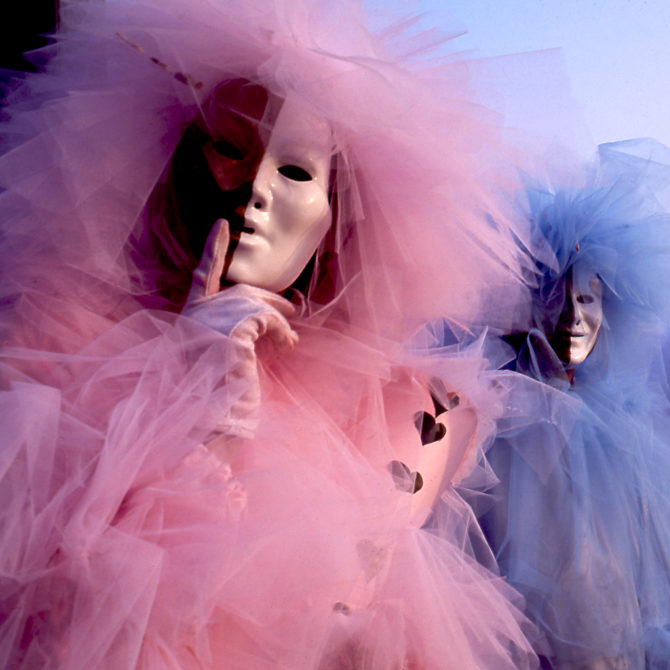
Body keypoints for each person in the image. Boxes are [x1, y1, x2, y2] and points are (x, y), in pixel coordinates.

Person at [0, 0, 539, 667]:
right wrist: (185, 411)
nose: (255, 189)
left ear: (339, 210)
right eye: (229, 149)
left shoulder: (395, 414)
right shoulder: (54, 352)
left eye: (295, 170)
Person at [475, 139, 670, 669]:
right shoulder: (495, 422)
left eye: (587, 299)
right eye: (556, 299)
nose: (572, 319)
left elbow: (655, 579)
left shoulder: (632, 434)